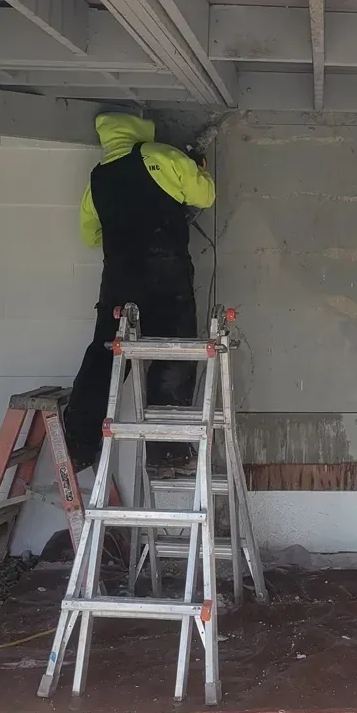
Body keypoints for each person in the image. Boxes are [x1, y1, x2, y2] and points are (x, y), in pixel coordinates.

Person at [63, 113, 215, 472]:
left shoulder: (97, 178)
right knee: (171, 355)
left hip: (118, 278)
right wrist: (197, 169)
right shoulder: (160, 155)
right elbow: (204, 196)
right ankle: (167, 451)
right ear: (139, 128)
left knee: (105, 356)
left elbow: (91, 235)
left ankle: (80, 442)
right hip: (166, 274)